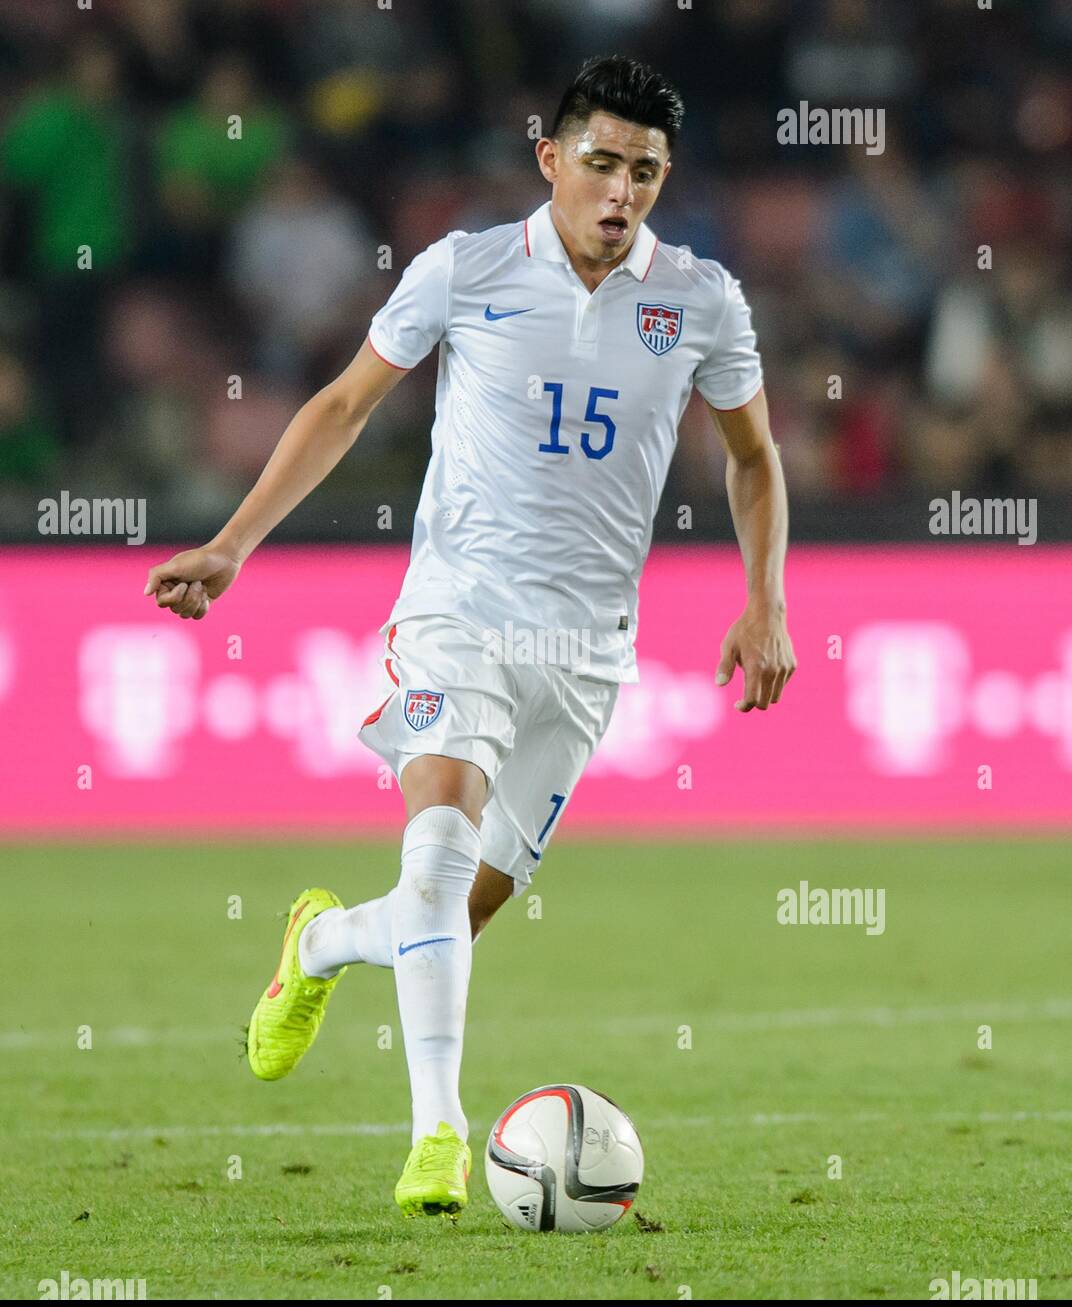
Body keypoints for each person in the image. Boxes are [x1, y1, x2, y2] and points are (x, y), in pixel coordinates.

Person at [144, 54, 797, 1219]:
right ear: (550, 158)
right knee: (438, 853)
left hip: (587, 651)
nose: (620, 192)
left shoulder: (699, 299)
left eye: (645, 172)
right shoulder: (467, 268)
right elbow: (344, 401)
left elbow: (751, 457)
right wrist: (235, 545)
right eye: (599, 163)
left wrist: (766, 601)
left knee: (458, 909)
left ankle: (321, 944)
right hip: (458, 615)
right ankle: (436, 1130)